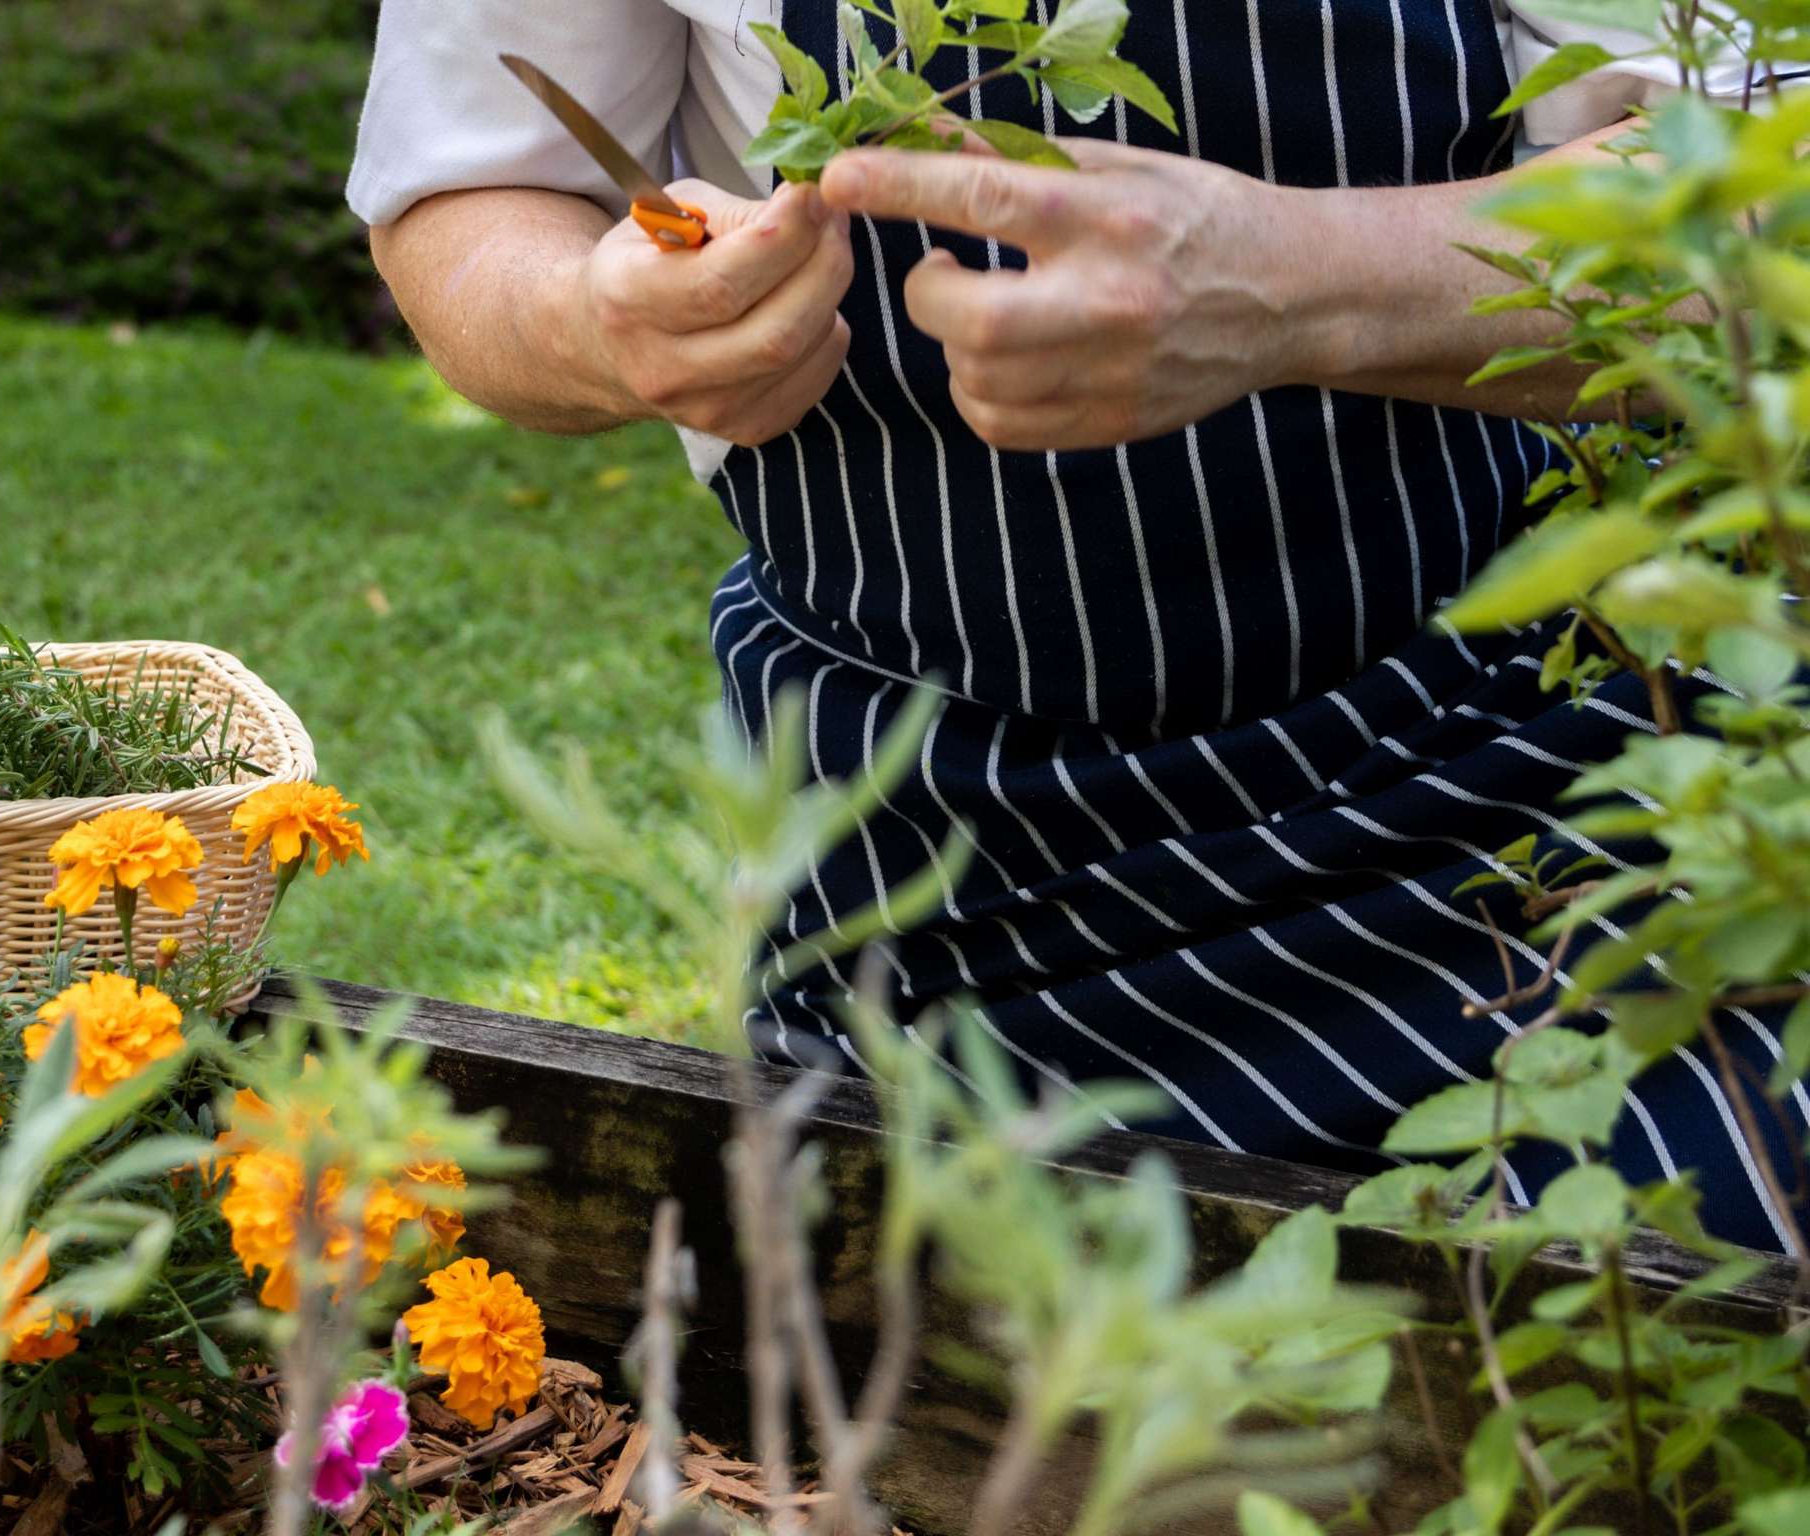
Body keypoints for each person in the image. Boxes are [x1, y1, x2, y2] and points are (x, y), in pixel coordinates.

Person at [350, 1, 1807, 1252]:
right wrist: (600, 321)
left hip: (1524, 798)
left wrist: (1308, 282)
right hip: (925, 867)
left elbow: (1760, 214)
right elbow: (475, 203)